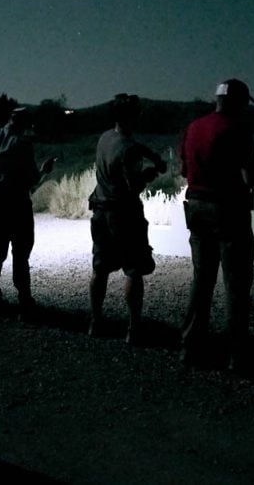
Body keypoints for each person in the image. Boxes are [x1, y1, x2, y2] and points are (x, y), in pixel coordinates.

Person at [178, 79, 254, 370]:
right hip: (228, 209)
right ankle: (236, 354)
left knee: (202, 280)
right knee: (237, 284)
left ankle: (190, 347)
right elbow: (249, 179)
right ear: (238, 102)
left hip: (196, 206)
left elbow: (183, 170)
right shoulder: (238, 129)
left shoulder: (194, 128)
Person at [87, 94, 166, 344]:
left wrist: (151, 154)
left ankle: (95, 321)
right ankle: (133, 328)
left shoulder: (105, 137)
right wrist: (150, 174)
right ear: (132, 116)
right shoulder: (129, 151)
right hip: (124, 214)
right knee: (133, 270)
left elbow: (129, 144)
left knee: (100, 269)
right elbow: (134, 187)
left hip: (100, 210)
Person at [0, 107, 56, 317]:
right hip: (18, 202)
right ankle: (24, 299)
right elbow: (33, 179)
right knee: (21, 252)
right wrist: (44, 171)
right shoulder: (23, 144)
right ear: (24, 124)